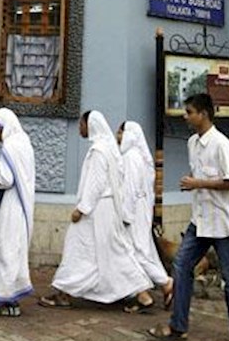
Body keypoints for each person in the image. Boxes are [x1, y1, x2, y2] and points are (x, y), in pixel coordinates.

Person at [146, 94, 229, 341]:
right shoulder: (193, 143)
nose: (186, 116)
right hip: (200, 220)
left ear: (203, 114)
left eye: (190, 112)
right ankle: (178, 327)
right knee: (181, 266)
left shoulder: (222, 145)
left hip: (222, 223)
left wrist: (198, 183)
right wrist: (195, 185)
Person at [39, 110, 153, 312]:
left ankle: (65, 293)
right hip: (104, 209)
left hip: (96, 210)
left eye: (82, 124)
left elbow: (96, 183)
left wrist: (82, 208)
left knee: (80, 248)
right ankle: (141, 294)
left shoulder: (99, 151)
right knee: (107, 252)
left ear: (90, 125)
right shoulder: (109, 149)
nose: (80, 128)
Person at [0, 108, 35, 316]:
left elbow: (7, 180)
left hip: (10, 206)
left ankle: (3, 300)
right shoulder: (24, 142)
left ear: (2, 128)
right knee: (15, 250)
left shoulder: (9, 146)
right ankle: (12, 301)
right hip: (23, 207)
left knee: (2, 248)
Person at [117, 120, 173, 306]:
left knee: (137, 251)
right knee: (144, 250)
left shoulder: (131, 157)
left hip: (134, 212)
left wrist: (125, 215)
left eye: (120, 132)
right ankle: (149, 289)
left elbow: (130, 189)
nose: (118, 137)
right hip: (140, 210)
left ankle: (164, 283)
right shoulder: (140, 156)